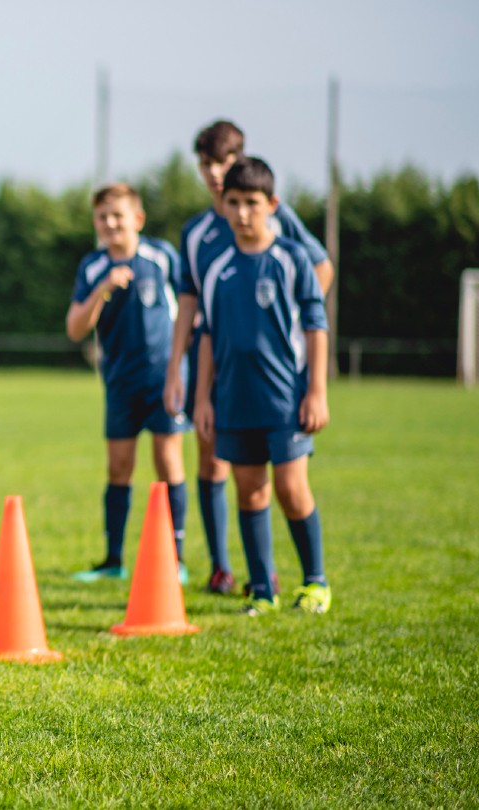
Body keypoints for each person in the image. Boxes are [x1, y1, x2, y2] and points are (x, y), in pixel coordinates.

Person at [164, 120, 334, 595]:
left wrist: (283, 318)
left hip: (280, 381)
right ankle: (230, 570)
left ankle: (308, 579)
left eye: (223, 163)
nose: (216, 174)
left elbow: (320, 275)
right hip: (222, 373)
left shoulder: (281, 235)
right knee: (226, 469)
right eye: (207, 165)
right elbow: (194, 310)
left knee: (288, 486)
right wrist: (180, 373)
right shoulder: (200, 239)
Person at [65, 183, 190, 583]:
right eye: (102, 217)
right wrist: (103, 289)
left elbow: (190, 309)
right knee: (119, 467)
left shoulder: (162, 256)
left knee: (168, 462)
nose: (109, 223)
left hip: (165, 379)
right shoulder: (93, 266)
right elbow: (74, 329)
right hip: (119, 381)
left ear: (137, 218)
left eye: (118, 215)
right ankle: (114, 559)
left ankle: (177, 558)